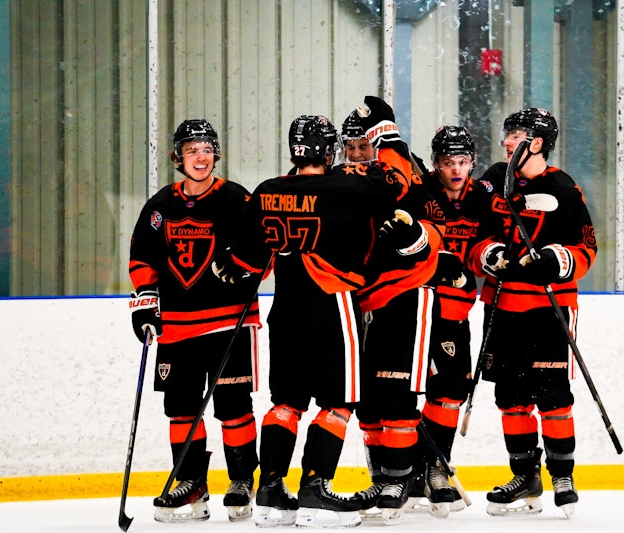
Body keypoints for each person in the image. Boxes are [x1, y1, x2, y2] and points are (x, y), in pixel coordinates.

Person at [211, 101, 430, 528]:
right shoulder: (343, 187)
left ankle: (271, 491)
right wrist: (387, 132)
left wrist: (230, 264)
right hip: (333, 303)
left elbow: (244, 262)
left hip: (286, 305)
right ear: (328, 152)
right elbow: (398, 183)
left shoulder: (267, 190)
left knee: (285, 402)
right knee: (338, 402)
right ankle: (315, 489)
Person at [128, 119, 262, 523]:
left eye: (206, 149)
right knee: (181, 407)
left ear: (215, 155)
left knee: (233, 405)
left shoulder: (237, 199)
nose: (200, 157)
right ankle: (190, 483)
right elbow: (142, 259)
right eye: (191, 150)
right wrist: (145, 302)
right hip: (178, 324)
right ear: (178, 158)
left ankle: (241, 480)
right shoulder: (160, 207)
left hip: (229, 321)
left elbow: (262, 246)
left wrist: (242, 268)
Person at [467, 108, 597, 518]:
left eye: (515, 134)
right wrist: (490, 255)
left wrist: (556, 260)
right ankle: (525, 476)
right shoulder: (494, 180)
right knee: (511, 397)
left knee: (553, 395)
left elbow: (587, 248)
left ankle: (563, 474)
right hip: (503, 306)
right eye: (507, 134)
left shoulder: (564, 188)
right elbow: (474, 236)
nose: (506, 141)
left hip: (549, 307)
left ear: (537, 142)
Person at [349, 103, 447, 524]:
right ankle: (381, 475)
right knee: (366, 402)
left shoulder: (405, 170)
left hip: (405, 292)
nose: (356, 152)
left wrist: (415, 239)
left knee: (396, 393)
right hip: (357, 299)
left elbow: (434, 226)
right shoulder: (343, 183)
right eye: (350, 146)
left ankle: (399, 477)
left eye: (364, 143)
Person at [406, 125, 496, 518]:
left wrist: (491, 256)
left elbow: (486, 245)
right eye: (447, 163)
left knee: (450, 391)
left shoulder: (482, 200)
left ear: (472, 162)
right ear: (436, 164)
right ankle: (399, 473)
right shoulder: (419, 193)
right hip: (414, 307)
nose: (456, 170)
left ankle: (436, 469)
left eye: (462, 162)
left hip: (456, 311)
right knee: (400, 393)